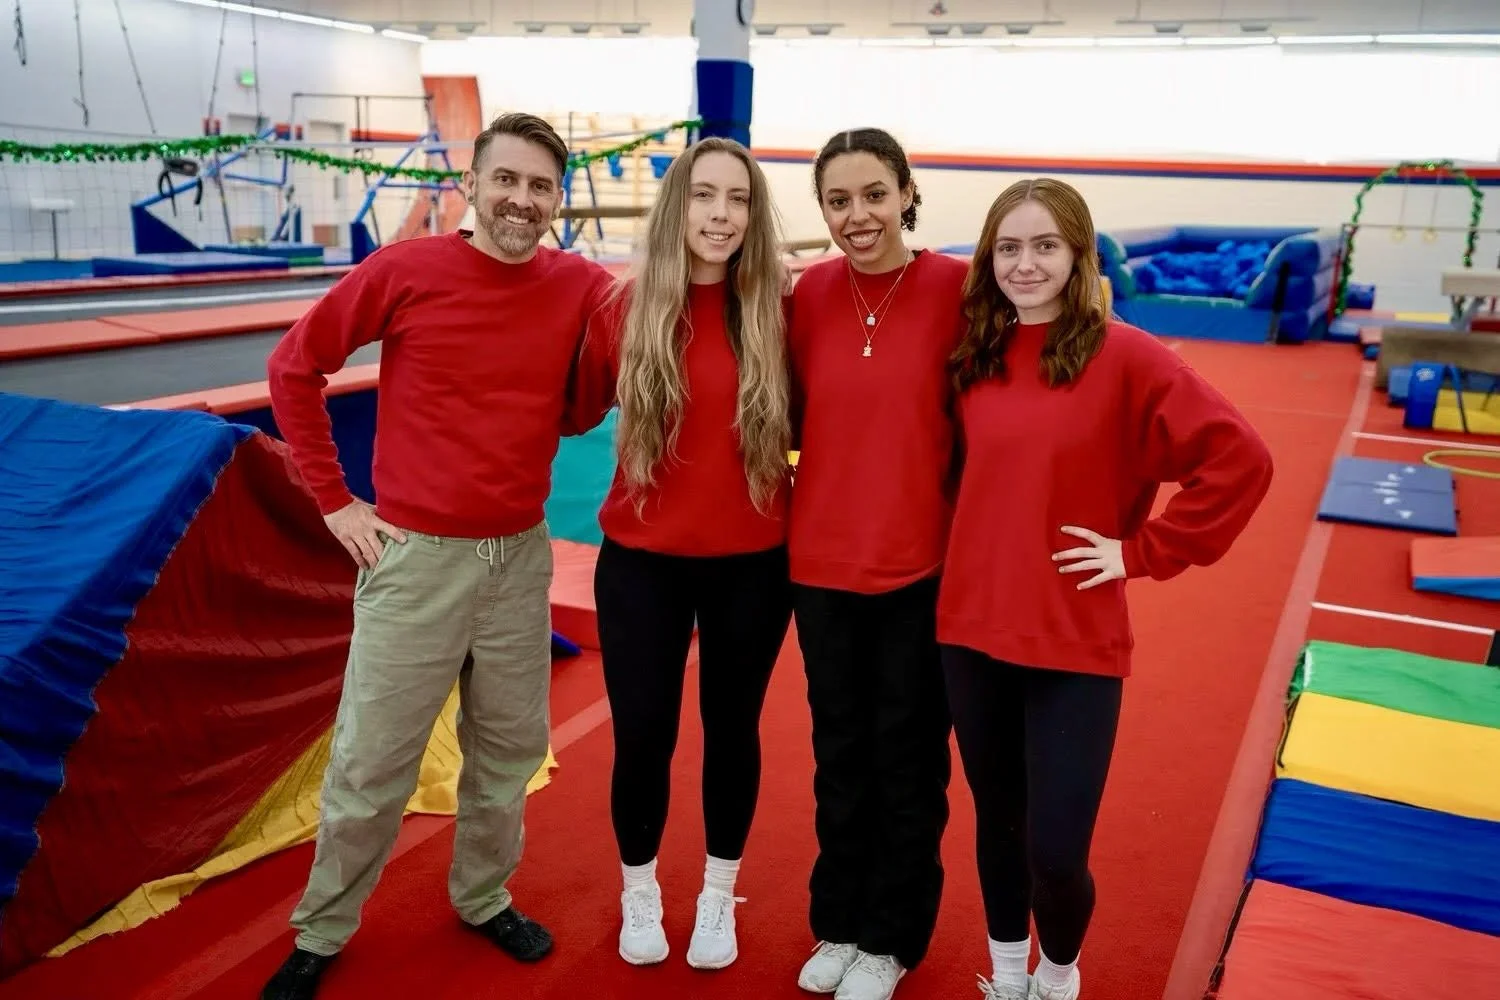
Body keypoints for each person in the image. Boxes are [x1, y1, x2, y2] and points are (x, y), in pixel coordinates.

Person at [258, 112, 614, 1000]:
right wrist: (335, 502)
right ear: (472, 185)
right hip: (416, 560)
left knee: (507, 752)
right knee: (374, 759)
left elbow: (574, 413)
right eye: (507, 180)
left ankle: (484, 894)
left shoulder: (576, 284)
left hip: (518, 559)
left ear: (558, 198)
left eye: (541, 186)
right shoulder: (406, 270)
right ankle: (324, 926)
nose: (522, 201)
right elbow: (293, 369)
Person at [939, 178, 1274, 1000]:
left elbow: (1241, 461)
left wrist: (1145, 551)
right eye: (1008, 248)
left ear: (1079, 254)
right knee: (1000, 826)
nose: (1025, 264)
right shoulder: (972, 354)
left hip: (1073, 639)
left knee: (1056, 849)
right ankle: (1009, 972)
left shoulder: (1124, 355)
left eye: (1045, 246)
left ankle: (1058, 975)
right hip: (969, 633)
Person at [563, 136, 795, 972]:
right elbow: (563, 410)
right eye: (704, 195)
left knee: (733, 732)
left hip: (754, 563)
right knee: (644, 737)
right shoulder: (623, 310)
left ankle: (718, 895)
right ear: (677, 205)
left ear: (754, 214)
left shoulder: (778, 308)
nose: (721, 214)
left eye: (737, 199)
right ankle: (640, 888)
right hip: (643, 564)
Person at [785, 128, 966, 1000]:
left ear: (905, 192)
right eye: (838, 201)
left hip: (917, 574)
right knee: (839, 757)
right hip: (819, 571)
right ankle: (839, 921)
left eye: (873, 195)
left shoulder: (957, 290)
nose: (858, 216)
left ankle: (892, 938)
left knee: (908, 762)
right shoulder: (808, 295)